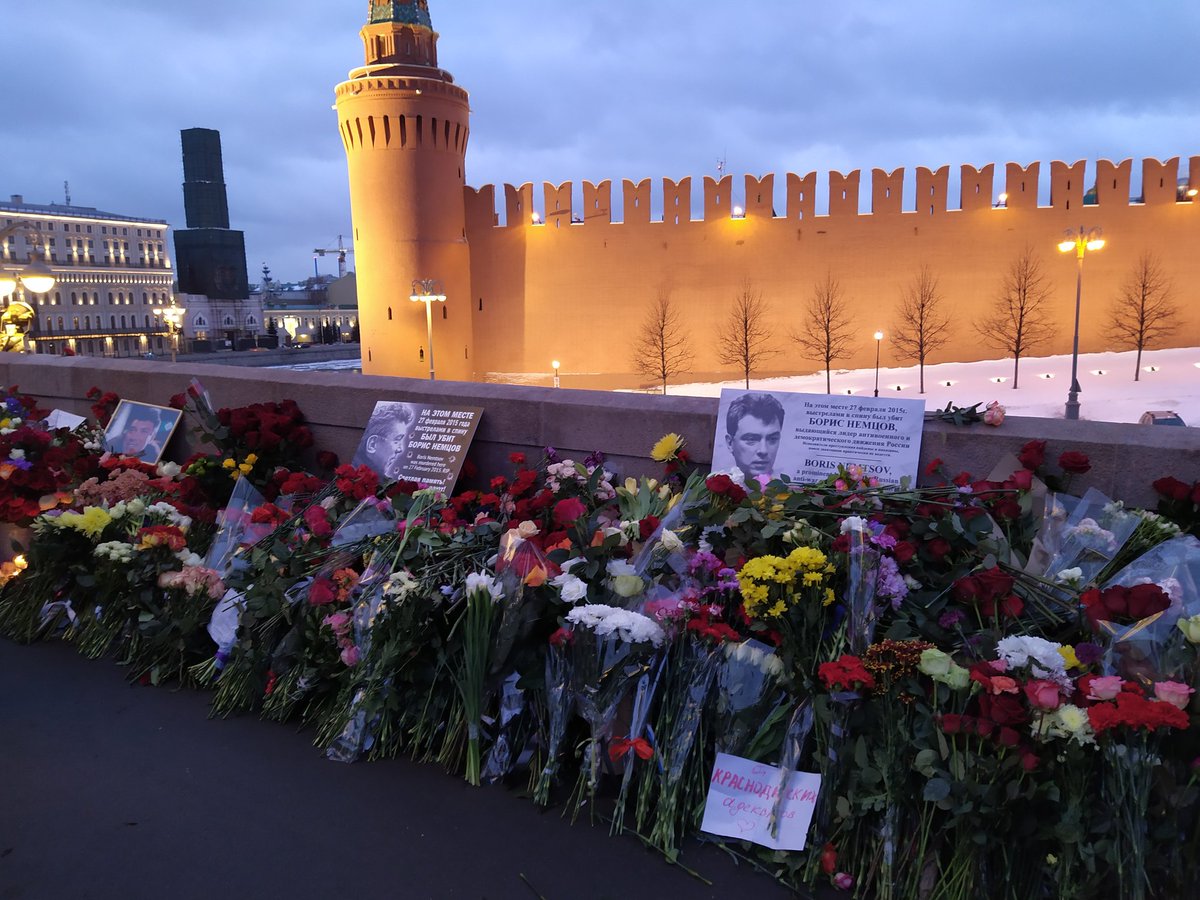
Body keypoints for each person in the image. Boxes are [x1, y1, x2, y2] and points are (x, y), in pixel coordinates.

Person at [724, 392, 785, 482]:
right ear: (730, 443)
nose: (763, 450)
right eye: (751, 439)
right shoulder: (715, 486)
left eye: (772, 439)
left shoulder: (791, 487)